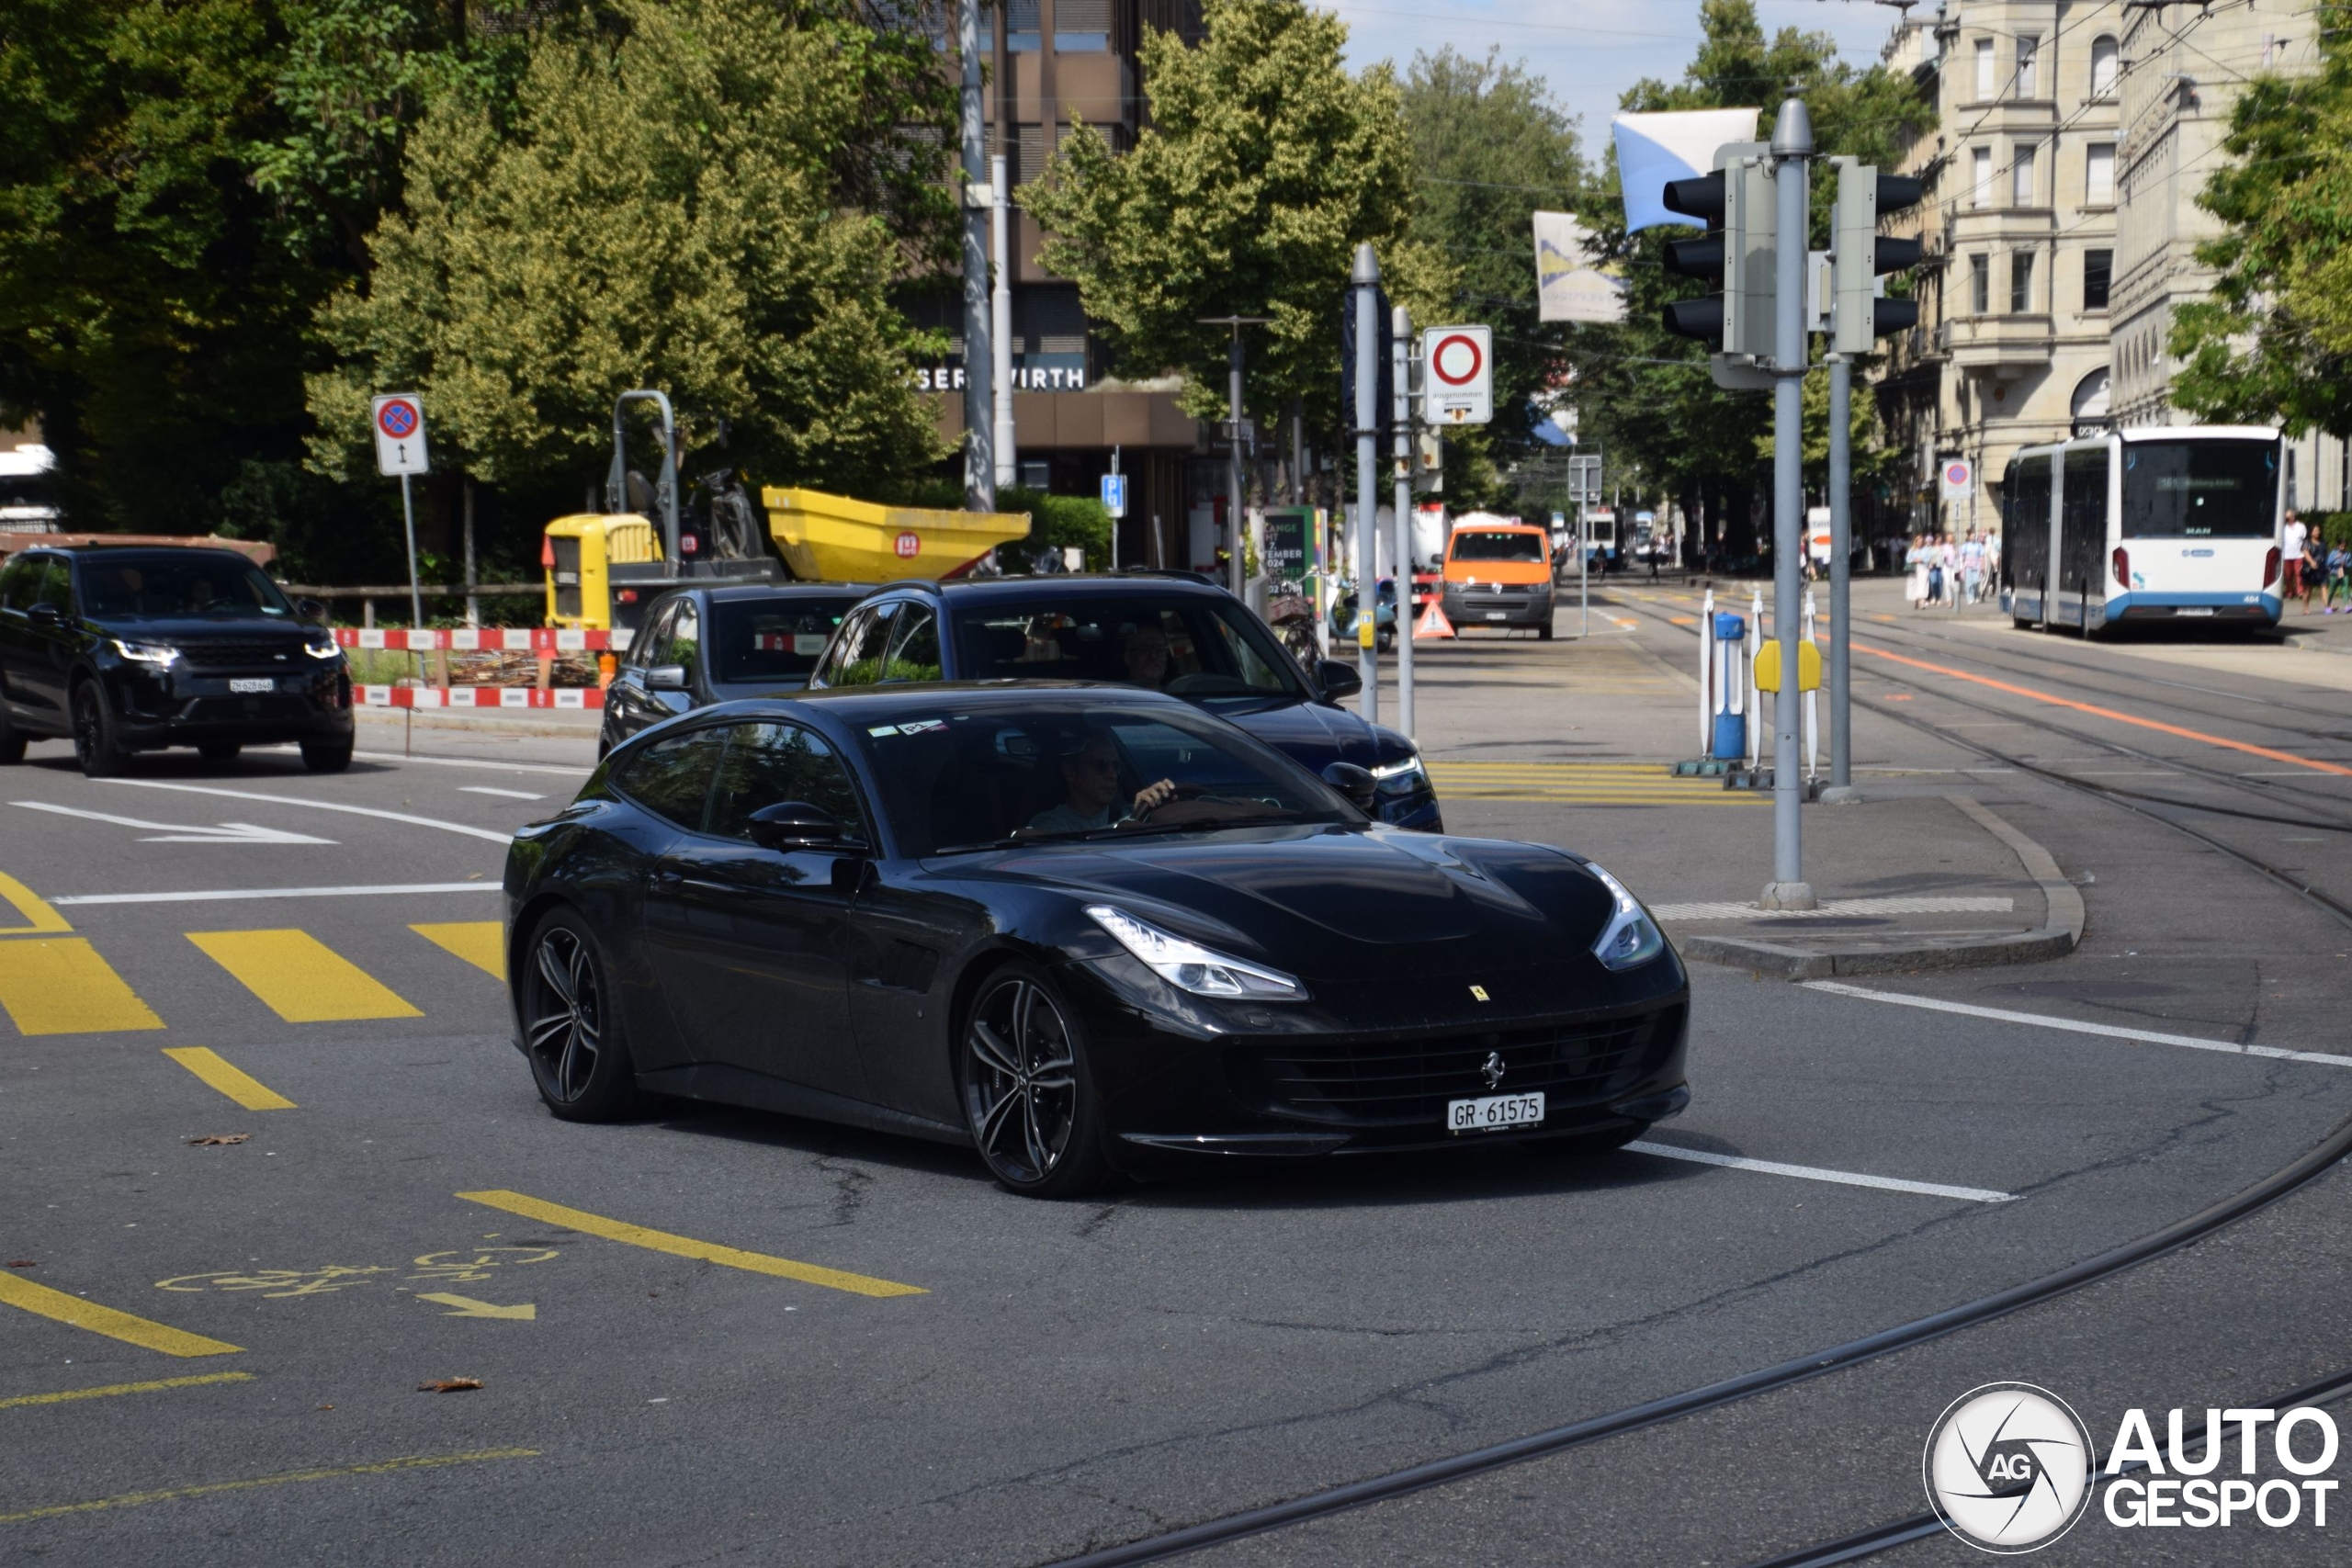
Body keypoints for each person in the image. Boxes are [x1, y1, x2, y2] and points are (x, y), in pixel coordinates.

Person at [1025, 734, 1177, 835]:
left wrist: (1160, 809)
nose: (1112, 775)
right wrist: (1133, 822)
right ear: (1070, 773)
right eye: (1101, 765)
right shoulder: (1049, 825)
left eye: (1116, 766)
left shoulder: (1132, 812)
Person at [1122, 623, 1170, 687]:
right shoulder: (1117, 695)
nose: (1153, 656)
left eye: (1159, 649)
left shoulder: (1177, 692)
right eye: (1144, 649)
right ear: (1128, 657)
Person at [2282, 510, 2308, 607]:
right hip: (2286, 555)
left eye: (2289, 517)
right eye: (2286, 518)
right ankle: (2289, 591)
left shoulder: (2301, 527)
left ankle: (2300, 592)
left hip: (2299, 554)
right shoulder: (2283, 528)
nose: (2288, 519)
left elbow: (2305, 539)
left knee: (2298, 573)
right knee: (2288, 575)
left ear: (2293, 517)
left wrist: (2305, 551)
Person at [1961, 530, 1987, 604]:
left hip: (1976, 564)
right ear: (1969, 537)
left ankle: (1976, 595)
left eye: (1974, 536)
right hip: (1968, 565)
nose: (1973, 537)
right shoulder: (1965, 546)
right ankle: (1970, 598)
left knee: (1976, 581)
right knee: (1969, 582)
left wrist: (1983, 566)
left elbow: (1982, 556)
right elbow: (1962, 557)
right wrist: (1961, 566)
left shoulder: (1979, 545)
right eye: (1972, 536)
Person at [2325, 538, 2350, 613]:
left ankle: (2346, 606)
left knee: (2345, 589)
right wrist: (2335, 558)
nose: (2343, 547)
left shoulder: (2348, 554)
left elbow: (2350, 564)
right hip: (2334, 573)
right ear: (2338, 545)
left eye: (2344, 546)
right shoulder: (2333, 553)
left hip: (2344, 573)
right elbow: (2328, 563)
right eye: (2341, 546)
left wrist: (2346, 564)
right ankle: (2328, 606)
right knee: (2332, 590)